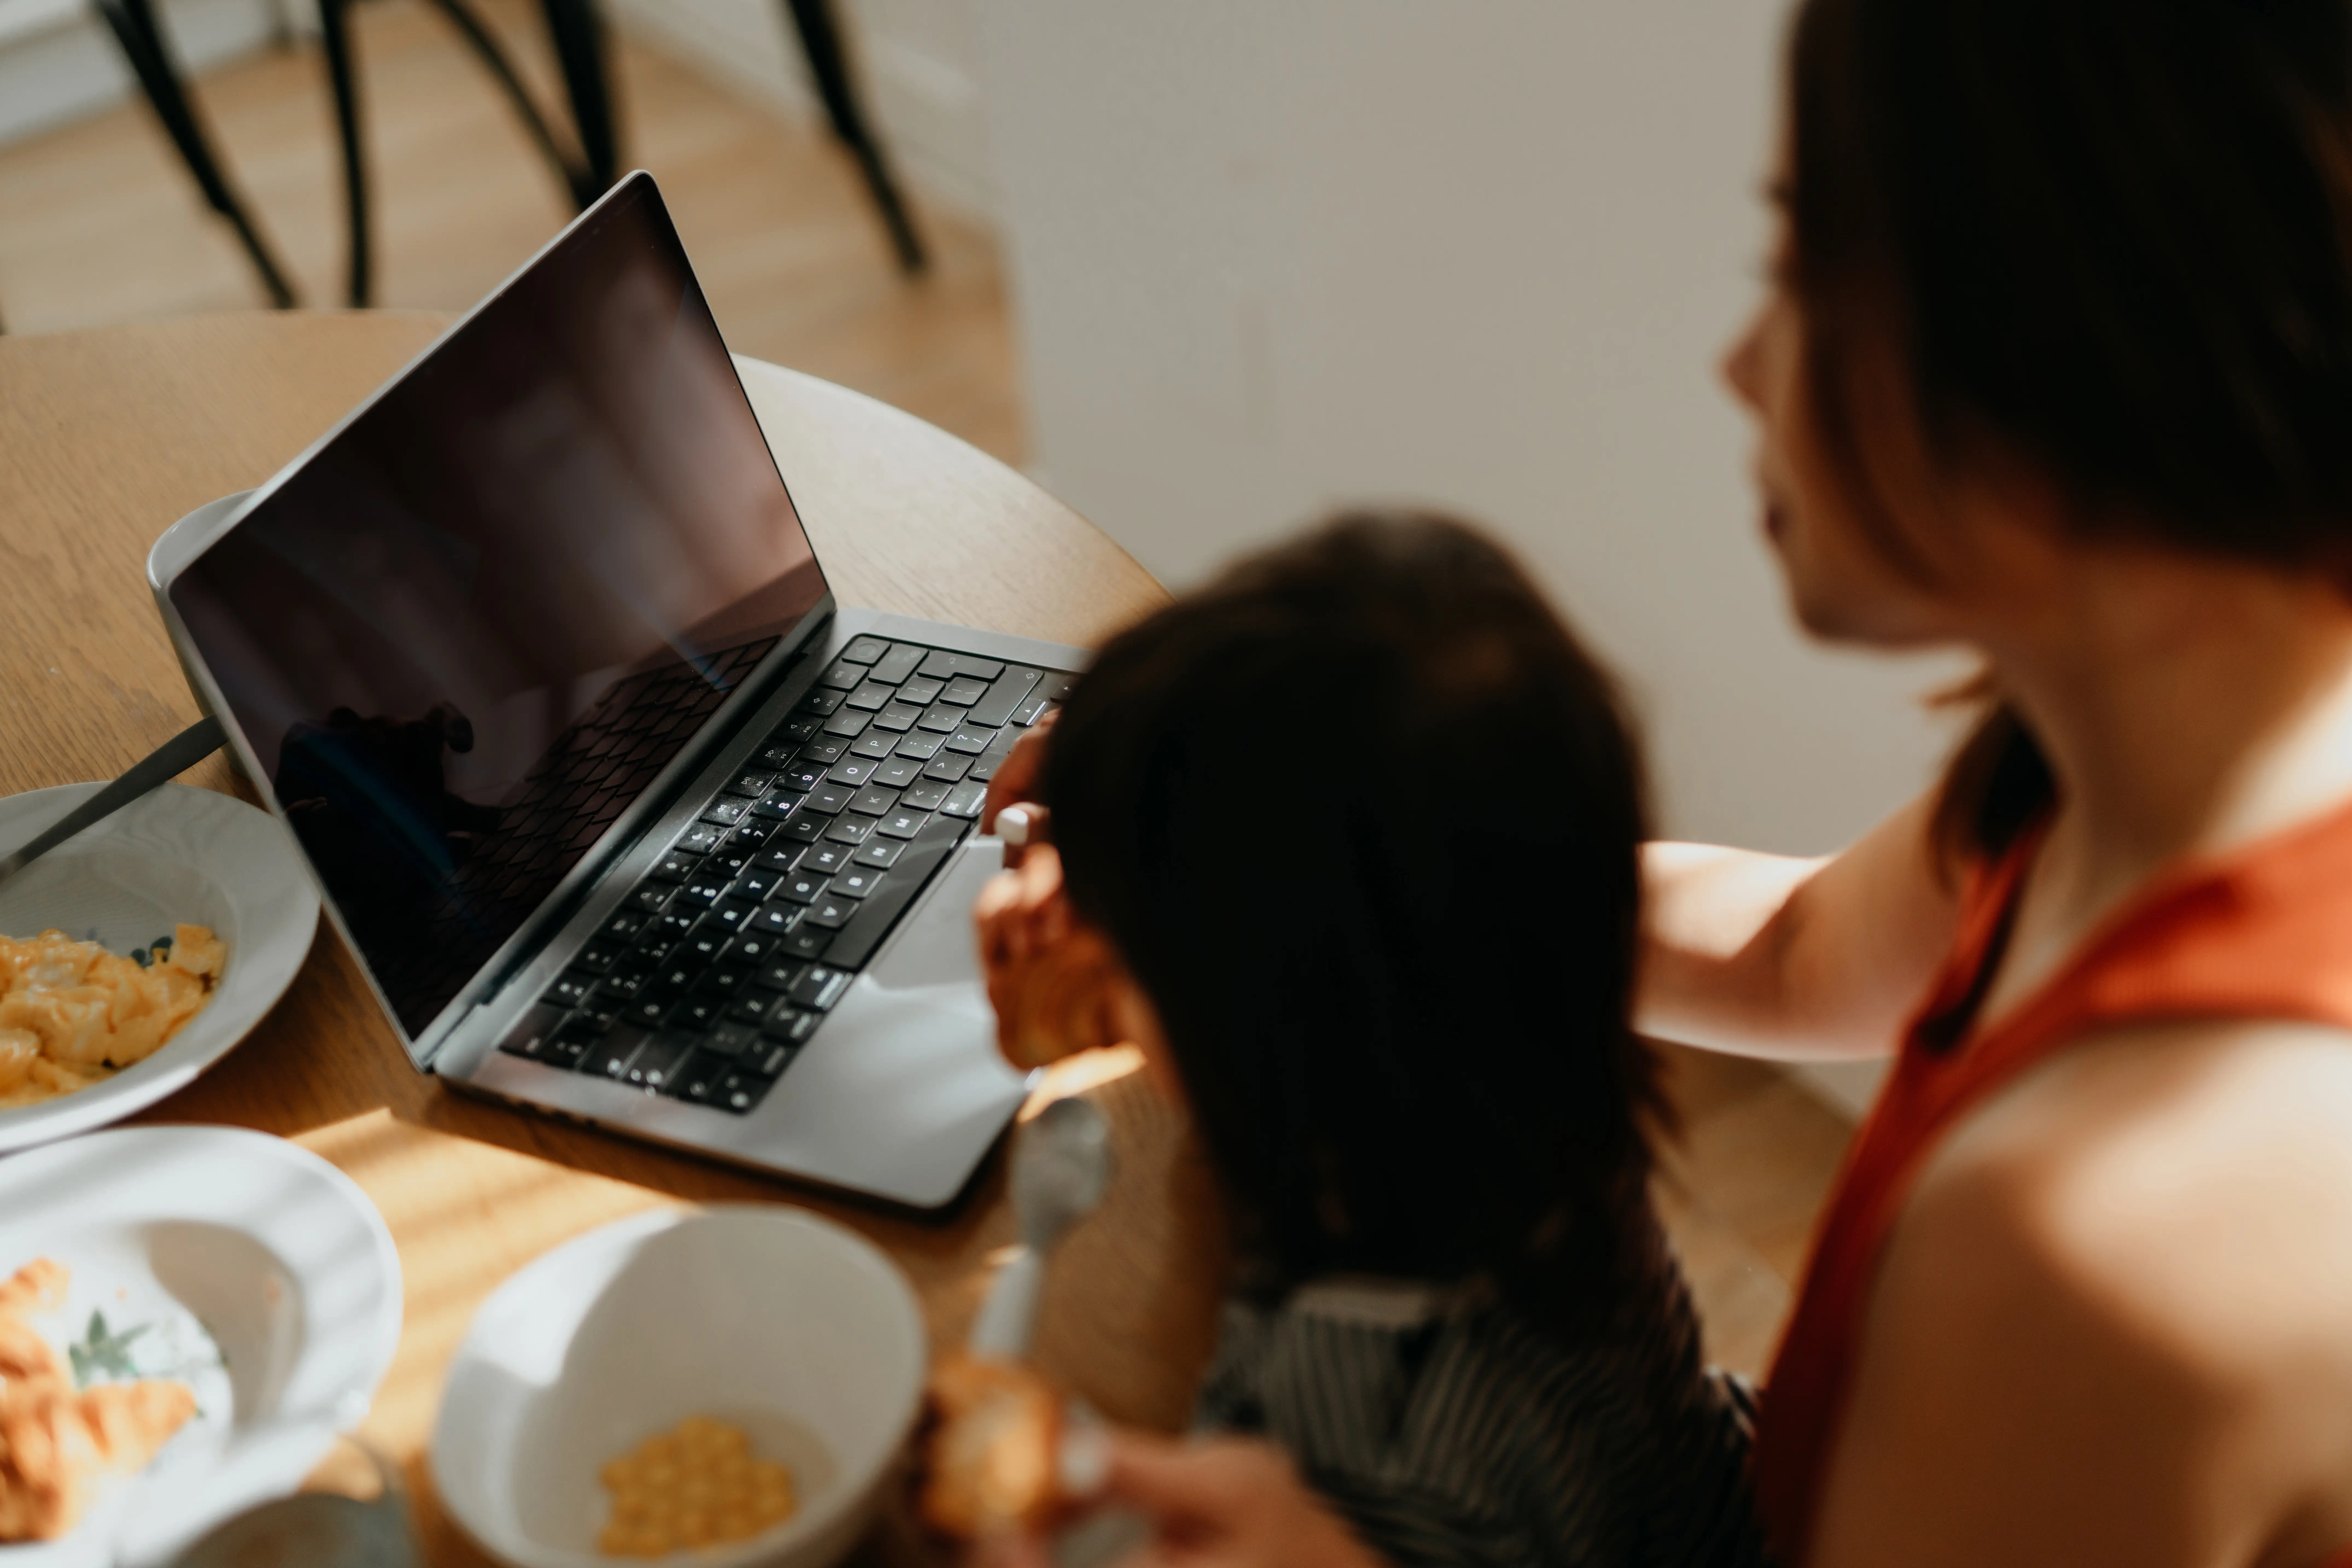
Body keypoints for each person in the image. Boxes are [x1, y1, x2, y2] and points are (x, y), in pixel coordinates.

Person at [976, 1, 2352, 1563]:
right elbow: (1792, 952)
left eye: (1802, 267)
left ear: (2041, 344)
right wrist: (1267, 828)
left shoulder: (2093, 1251)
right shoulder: (2085, 782)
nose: (1739, 364)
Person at [979, 512, 1769, 1567]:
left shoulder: (1371, 1453)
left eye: (1134, 959)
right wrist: (1139, 834)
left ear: (1266, 1036)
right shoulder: (1513, 1086)